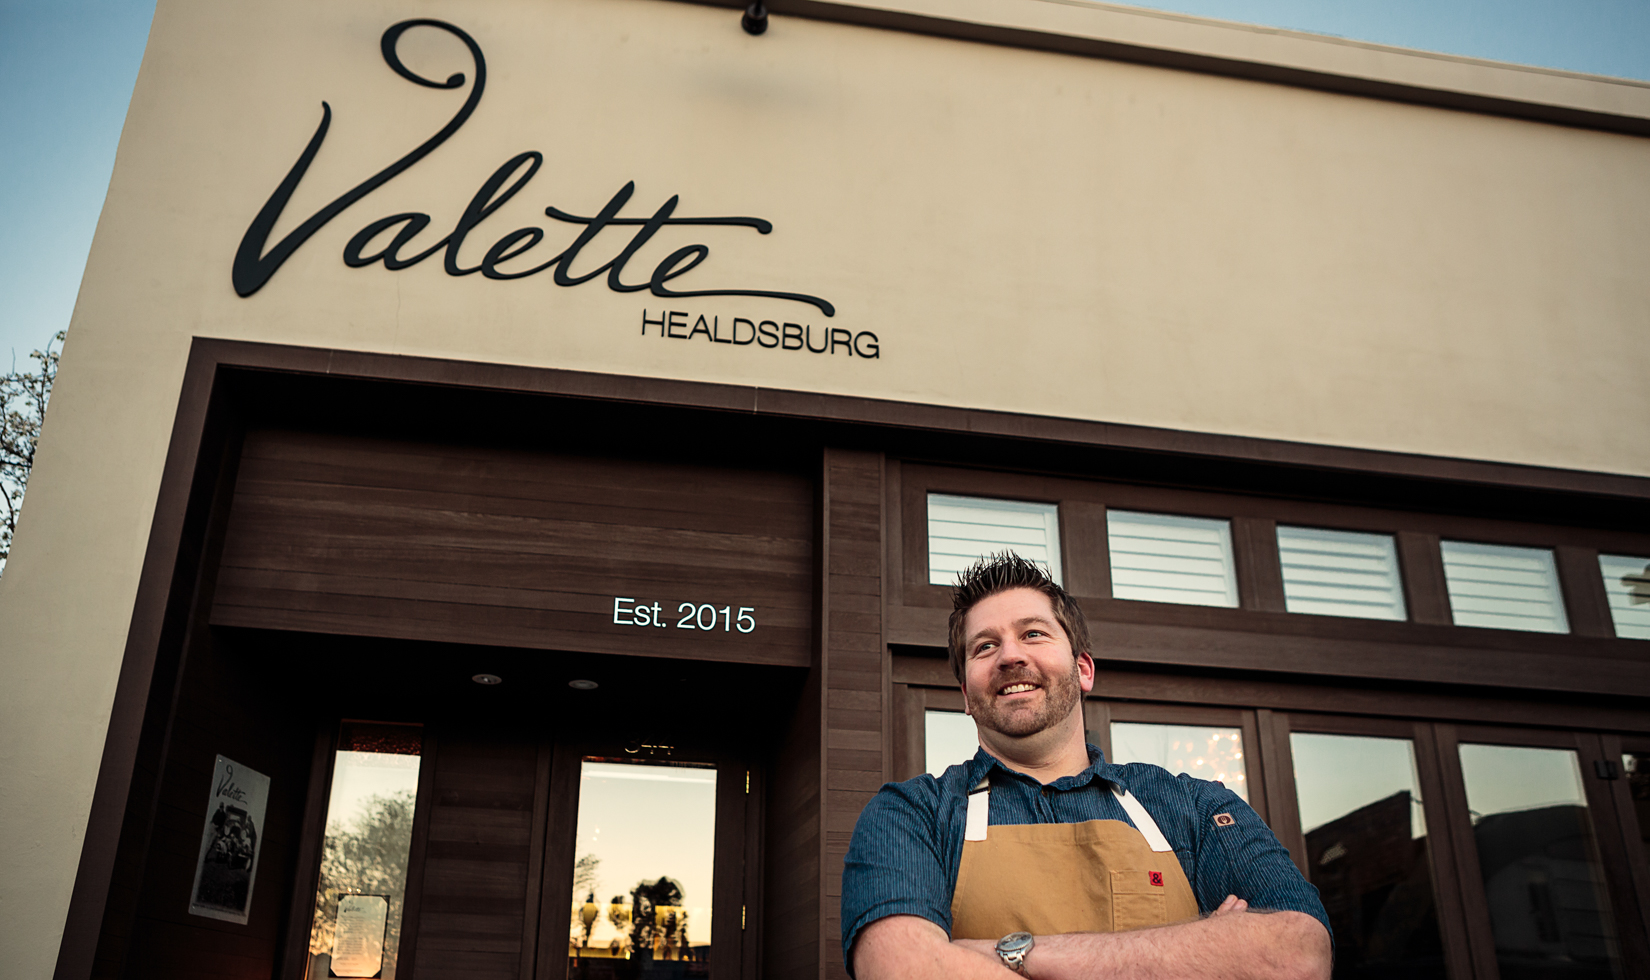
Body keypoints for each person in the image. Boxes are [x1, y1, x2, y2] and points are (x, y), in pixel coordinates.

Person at [842, 553, 1332, 980]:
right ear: (967, 695)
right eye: (985, 646)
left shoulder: (1194, 806)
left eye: (1033, 633)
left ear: (1083, 669)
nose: (1011, 655)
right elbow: (903, 969)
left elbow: (1296, 954)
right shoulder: (909, 815)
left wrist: (1002, 954)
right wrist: (1200, 950)